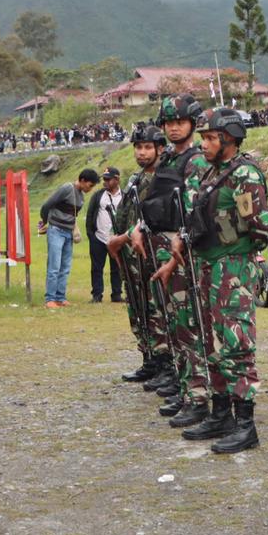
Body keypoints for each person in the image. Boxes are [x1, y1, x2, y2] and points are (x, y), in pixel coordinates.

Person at [162, 108, 268, 454]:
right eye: (204, 137)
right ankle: (221, 410)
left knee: (235, 342)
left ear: (230, 140)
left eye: (211, 138)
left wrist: (234, 245)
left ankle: (245, 422)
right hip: (207, 267)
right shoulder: (210, 173)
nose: (204, 143)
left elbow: (259, 227)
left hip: (232, 268)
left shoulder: (244, 175)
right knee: (211, 341)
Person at [143, 94, 212, 424]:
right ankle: (186, 388)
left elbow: (193, 211)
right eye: (168, 123)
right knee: (172, 323)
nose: (172, 128)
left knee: (188, 325)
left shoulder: (196, 162)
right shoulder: (169, 159)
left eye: (179, 122)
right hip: (161, 246)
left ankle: (198, 395)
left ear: (192, 124)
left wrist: (178, 248)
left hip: (181, 251)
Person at [109, 127, 167, 386]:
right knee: (138, 308)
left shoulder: (166, 179)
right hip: (131, 257)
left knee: (158, 310)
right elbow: (123, 217)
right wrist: (117, 240)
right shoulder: (134, 180)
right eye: (138, 147)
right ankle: (148, 359)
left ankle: (166, 365)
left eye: (147, 147)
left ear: (159, 149)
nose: (142, 152)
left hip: (157, 255)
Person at [39, 169, 99, 308]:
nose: (90, 189)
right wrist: (45, 221)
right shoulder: (67, 188)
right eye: (90, 185)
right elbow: (47, 205)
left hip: (68, 233)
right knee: (54, 266)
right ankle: (50, 299)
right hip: (56, 231)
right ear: (82, 180)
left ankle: (60, 297)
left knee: (65, 267)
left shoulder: (81, 195)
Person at [86, 167, 123, 304]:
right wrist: (91, 235)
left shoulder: (125, 196)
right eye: (104, 179)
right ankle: (97, 294)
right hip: (99, 238)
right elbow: (90, 215)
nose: (105, 182)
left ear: (117, 179)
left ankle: (117, 294)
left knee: (117, 268)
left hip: (116, 239)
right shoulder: (98, 196)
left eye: (108, 179)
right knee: (96, 268)